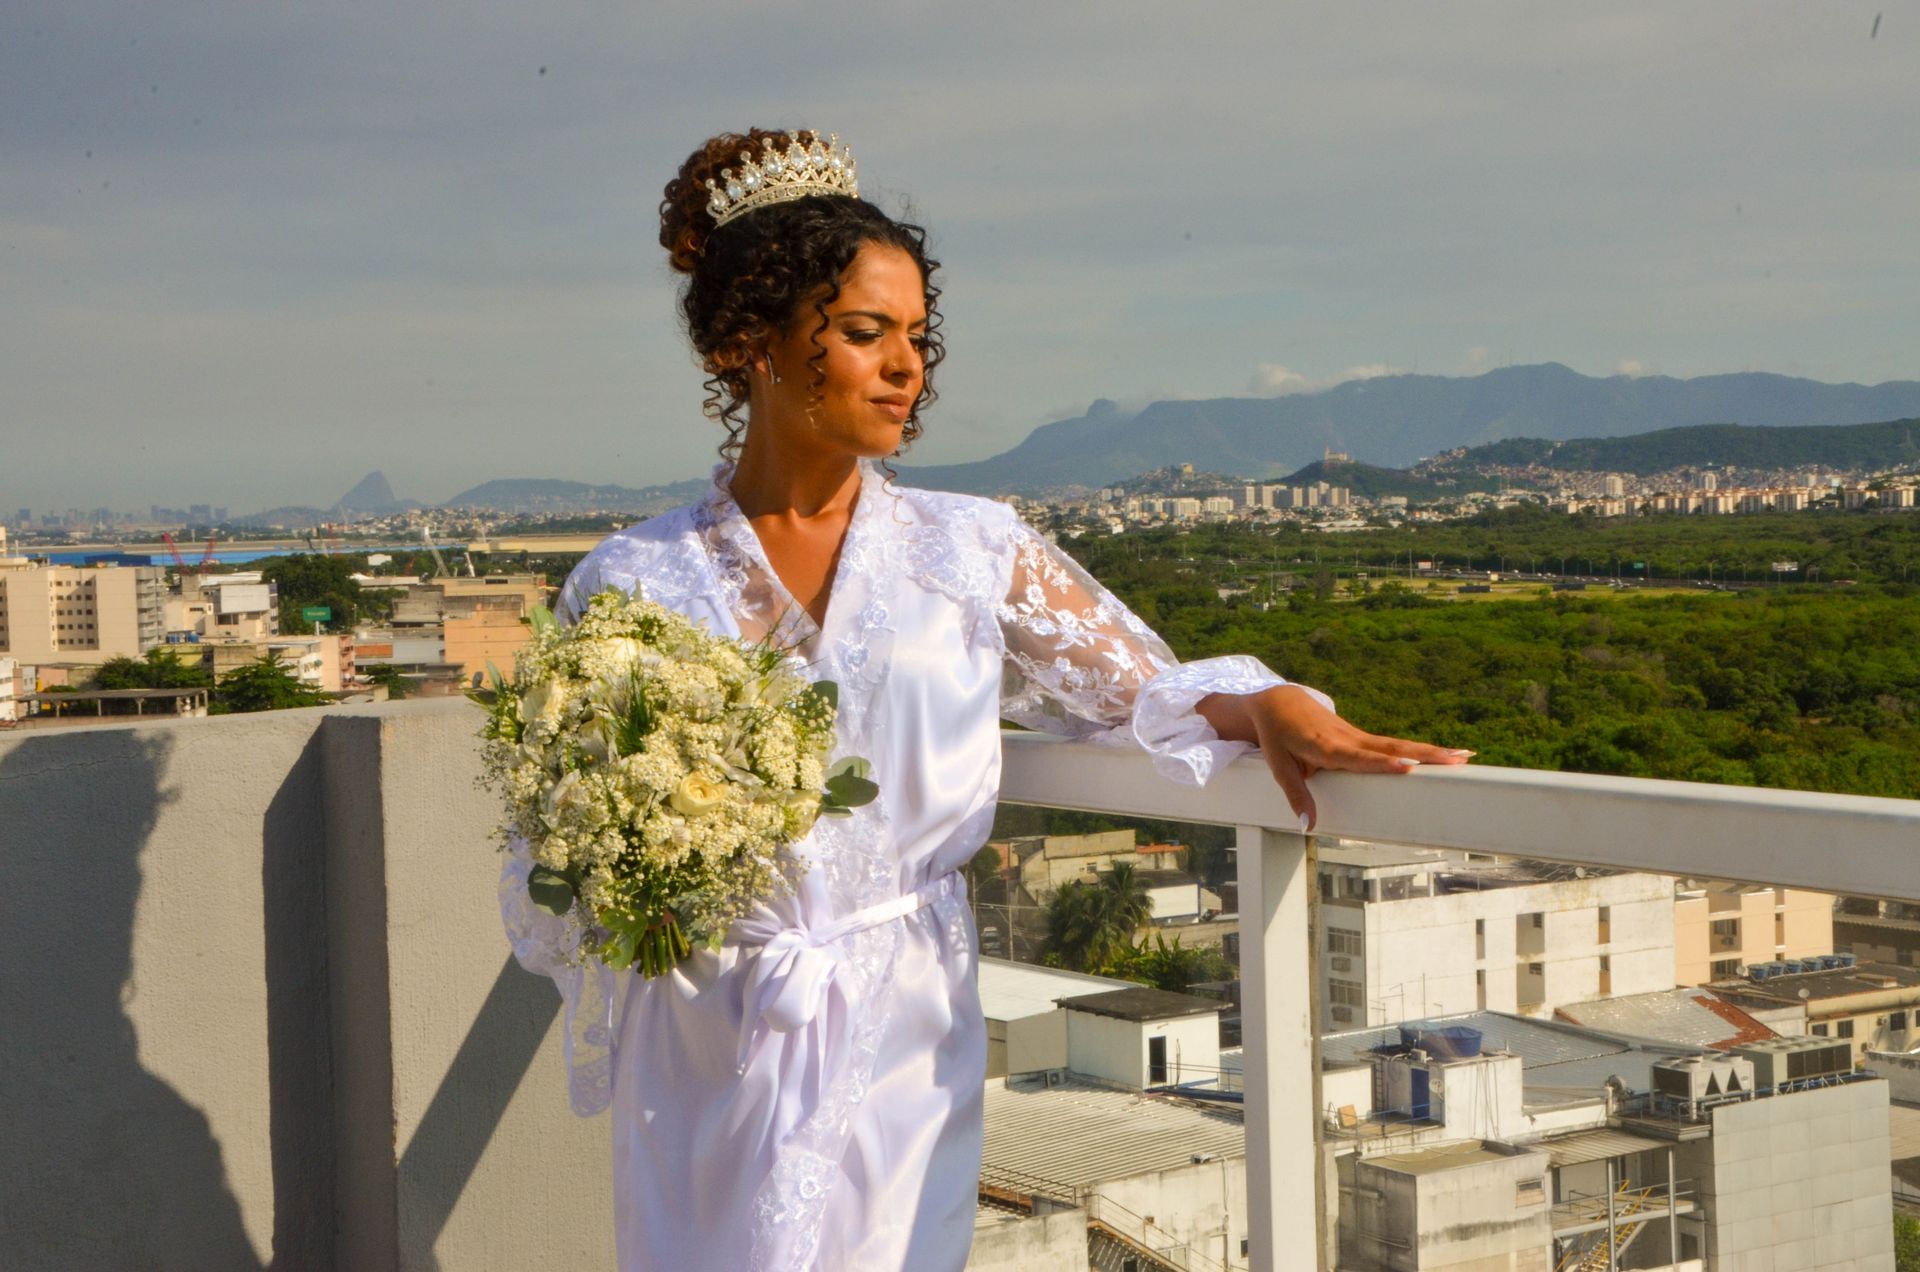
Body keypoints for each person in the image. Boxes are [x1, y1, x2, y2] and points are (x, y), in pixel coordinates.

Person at [502, 126, 1470, 1271]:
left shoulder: (969, 549)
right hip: (705, 1029)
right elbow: (559, 841)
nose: (908, 366)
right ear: (749, 342)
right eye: (866, 332)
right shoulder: (630, 582)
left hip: (902, 1020)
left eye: (918, 336)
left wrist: (1266, 707)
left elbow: (1133, 690)